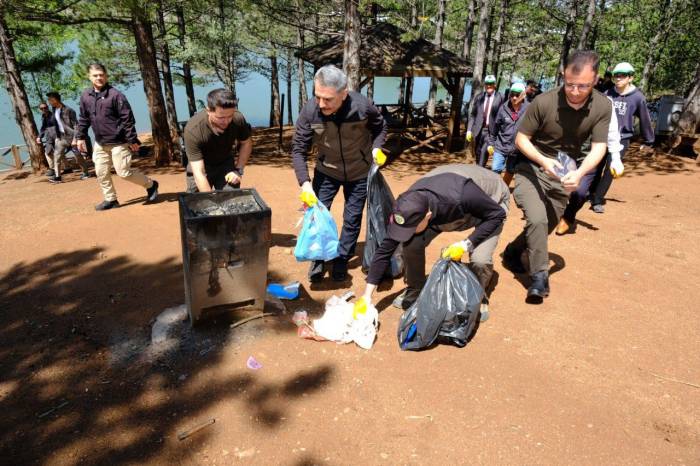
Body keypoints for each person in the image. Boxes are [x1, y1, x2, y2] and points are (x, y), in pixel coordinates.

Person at [502, 50, 612, 304]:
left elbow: (599, 147)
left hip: (566, 169)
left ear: (595, 79)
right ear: (563, 75)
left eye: (582, 86)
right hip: (531, 166)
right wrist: (543, 161)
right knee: (538, 219)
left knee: (548, 224)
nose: (574, 91)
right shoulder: (544, 102)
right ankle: (539, 277)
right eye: (569, 84)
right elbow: (521, 140)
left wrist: (581, 172)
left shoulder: (603, 106)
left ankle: (514, 250)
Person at [359, 164, 508, 317]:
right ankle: (415, 287)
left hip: (491, 202)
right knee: (412, 243)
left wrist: (466, 244)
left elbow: (497, 215)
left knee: (480, 259)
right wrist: (366, 296)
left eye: (411, 227)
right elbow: (385, 250)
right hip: (449, 204)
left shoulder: (462, 195)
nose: (405, 232)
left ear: (427, 216)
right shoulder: (407, 206)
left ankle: (477, 295)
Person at [291, 64, 387, 282]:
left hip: (359, 171)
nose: (321, 104)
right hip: (326, 171)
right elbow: (298, 149)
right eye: (318, 96)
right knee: (317, 217)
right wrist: (304, 183)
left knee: (352, 218)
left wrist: (377, 148)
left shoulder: (362, 107)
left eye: (328, 99)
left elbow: (380, 127)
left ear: (344, 94)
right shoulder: (310, 111)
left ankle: (342, 259)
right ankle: (318, 258)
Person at [75, 63, 159, 211]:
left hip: (119, 142)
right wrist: (80, 136)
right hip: (100, 143)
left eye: (101, 75)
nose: (99, 78)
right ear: (89, 77)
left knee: (124, 173)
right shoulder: (86, 96)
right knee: (101, 172)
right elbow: (84, 118)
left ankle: (151, 185)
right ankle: (111, 199)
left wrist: (132, 140)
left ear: (106, 76)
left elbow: (127, 119)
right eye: (95, 75)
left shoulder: (116, 95)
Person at [589, 62, 655, 214]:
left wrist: (649, 141)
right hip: (602, 136)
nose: (618, 78)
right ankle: (590, 193)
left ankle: (597, 200)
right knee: (595, 165)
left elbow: (645, 119)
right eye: (616, 75)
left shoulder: (637, 97)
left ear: (630, 78)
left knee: (610, 169)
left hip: (622, 138)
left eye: (622, 75)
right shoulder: (607, 93)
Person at [555, 103, 624, 235]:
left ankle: (568, 217)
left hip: (589, 155)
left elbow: (612, 132)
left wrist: (616, 157)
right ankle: (548, 215)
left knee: (580, 191)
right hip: (565, 150)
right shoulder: (564, 96)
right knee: (557, 185)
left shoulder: (605, 103)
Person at [183, 89, 252, 192]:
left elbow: (246, 143)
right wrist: (211, 200)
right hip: (202, 165)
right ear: (208, 111)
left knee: (230, 199)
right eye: (221, 117)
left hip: (225, 162)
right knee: (198, 202)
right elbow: (199, 173)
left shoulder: (238, 118)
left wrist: (238, 170)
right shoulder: (193, 130)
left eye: (230, 116)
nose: (226, 121)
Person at [488, 81, 529, 186]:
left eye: (517, 94)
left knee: (510, 170)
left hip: (517, 149)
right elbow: (495, 128)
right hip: (501, 146)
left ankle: (504, 189)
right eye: (512, 94)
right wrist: (491, 143)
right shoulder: (503, 108)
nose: (514, 97)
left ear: (523, 94)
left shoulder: (529, 109)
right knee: (495, 169)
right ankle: (495, 190)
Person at [45, 92, 91, 183]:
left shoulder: (69, 110)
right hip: (62, 138)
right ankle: (58, 177)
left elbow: (76, 125)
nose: (49, 101)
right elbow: (57, 124)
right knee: (57, 156)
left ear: (55, 99)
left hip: (72, 137)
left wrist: (75, 139)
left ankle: (86, 173)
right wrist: (57, 137)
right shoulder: (54, 110)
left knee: (78, 157)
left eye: (50, 99)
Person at [466, 75, 504, 167]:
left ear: (495, 85)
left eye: (491, 84)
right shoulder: (479, 97)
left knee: (483, 153)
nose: (489, 86)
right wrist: (469, 130)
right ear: (484, 85)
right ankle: (479, 171)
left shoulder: (501, 97)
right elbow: (473, 115)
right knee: (478, 153)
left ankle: (480, 173)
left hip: (491, 132)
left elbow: (503, 116)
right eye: (487, 84)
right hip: (478, 131)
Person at [36, 102, 57, 177]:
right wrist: (39, 137)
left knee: (59, 152)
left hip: (57, 136)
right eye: (42, 108)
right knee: (48, 153)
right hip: (49, 138)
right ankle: (53, 169)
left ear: (48, 107)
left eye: (45, 107)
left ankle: (67, 168)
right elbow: (43, 128)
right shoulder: (44, 116)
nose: (44, 109)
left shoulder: (53, 115)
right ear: (40, 109)